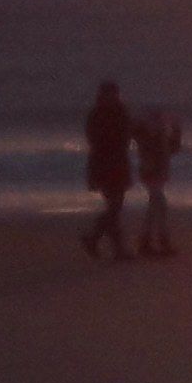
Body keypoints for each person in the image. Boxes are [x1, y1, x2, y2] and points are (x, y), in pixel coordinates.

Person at [80, 80, 134, 260]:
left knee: (115, 206)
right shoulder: (97, 115)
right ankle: (97, 240)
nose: (114, 97)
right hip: (104, 165)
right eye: (110, 94)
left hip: (117, 163)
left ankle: (105, 244)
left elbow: (127, 135)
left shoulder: (120, 112)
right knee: (114, 206)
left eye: (115, 94)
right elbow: (95, 141)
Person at [133, 106, 184, 259]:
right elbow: (136, 134)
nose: (159, 124)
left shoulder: (159, 136)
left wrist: (176, 130)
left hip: (158, 173)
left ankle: (147, 241)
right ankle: (158, 241)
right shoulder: (146, 137)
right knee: (159, 204)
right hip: (151, 173)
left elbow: (173, 148)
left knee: (155, 206)